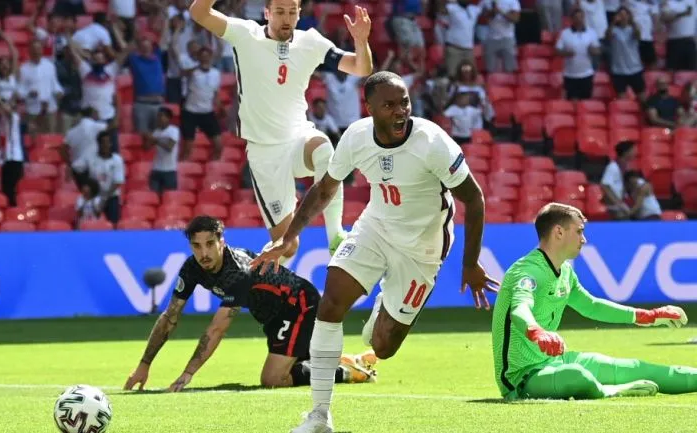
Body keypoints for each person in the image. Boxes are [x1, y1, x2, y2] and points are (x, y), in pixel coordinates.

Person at [250, 71, 499, 433]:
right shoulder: (356, 137)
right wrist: (289, 237)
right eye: (389, 105)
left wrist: (471, 263)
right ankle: (319, 415)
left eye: (405, 102)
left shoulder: (432, 141)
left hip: (422, 247)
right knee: (330, 303)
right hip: (376, 227)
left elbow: (474, 199)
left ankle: (386, 303)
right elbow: (325, 188)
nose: (400, 111)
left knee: (382, 347)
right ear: (369, 108)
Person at [188, 0, 374, 260]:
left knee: (324, 149)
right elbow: (199, 12)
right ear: (267, 13)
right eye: (279, 12)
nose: (286, 18)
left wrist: (361, 41)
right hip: (265, 154)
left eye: (291, 12)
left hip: (298, 139)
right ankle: (259, 283)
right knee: (286, 246)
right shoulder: (245, 34)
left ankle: (335, 236)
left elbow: (361, 68)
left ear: (299, 14)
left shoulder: (310, 42)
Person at [123, 216, 378, 392]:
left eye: (210, 244)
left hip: (299, 305)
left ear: (222, 241)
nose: (204, 253)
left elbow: (217, 329)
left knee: (274, 379)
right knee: (292, 366)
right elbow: (170, 316)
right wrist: (144, 366)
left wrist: (188, 374)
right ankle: (347, 361)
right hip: (273, 317)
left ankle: (348, 373)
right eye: (196, 246)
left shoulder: (238, 271)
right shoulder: (192, 268)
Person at [491, 202, 697, 401]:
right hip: (522, 378)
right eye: (579, 231)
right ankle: (610, 391)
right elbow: (519, 309)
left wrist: (647, 316)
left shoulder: (565, 271)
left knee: (636, 368)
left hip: (556, 361)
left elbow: (591, 306)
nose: (584, 239)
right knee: (576, 375)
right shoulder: (527, 271)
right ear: (559, 232)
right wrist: (537, 332)